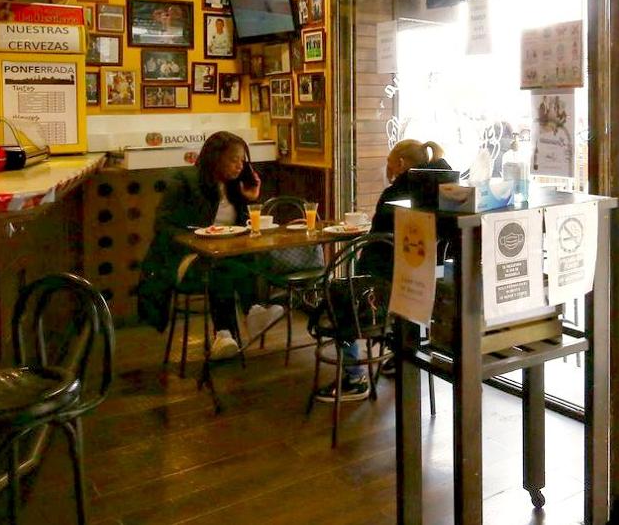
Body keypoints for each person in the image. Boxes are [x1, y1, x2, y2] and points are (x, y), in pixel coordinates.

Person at [313, 139, 452, 402]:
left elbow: (378, 242)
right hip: (423, 289)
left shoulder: (394, 194)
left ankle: (354, 377)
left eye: (389, 163)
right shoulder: (444, 187)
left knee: (338, 297)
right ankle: (399, 354)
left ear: (400, 163)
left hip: (383, 290)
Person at [138, 131, 281, 360]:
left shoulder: (235, 187)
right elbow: (163, 226)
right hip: (186, 258)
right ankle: (232, 328)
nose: (239, 166)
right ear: (215, 158)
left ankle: (241, 322)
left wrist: (250, 198)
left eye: (243, 161)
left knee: (249, 257)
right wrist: (196, 237)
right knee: (220, 265)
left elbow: (243, 228)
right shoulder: (185, 182)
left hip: (226, 255)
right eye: (234, 160)